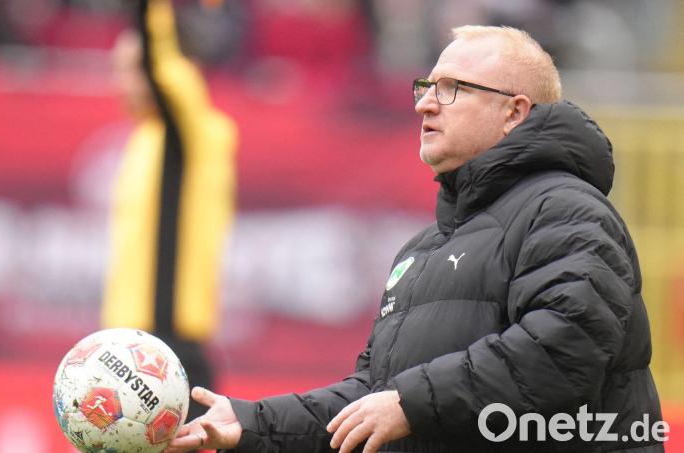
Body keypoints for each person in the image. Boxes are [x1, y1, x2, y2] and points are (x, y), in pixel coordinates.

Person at [166, 25, 664, 453]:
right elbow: (371, 398)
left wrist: (411, 403)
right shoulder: (423, 249)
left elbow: (562, 350)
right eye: (425, 86)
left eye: (452, 88)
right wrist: (251, 422)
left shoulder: (567, 209)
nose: (426, 103)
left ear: (513, 112)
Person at [101, 0, 237, 423]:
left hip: (169, 345)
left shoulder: (194, 130)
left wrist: (151, 13)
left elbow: (164, 62)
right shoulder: (147, 137)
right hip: (132, 341)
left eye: (134, 67)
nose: (123, 81)